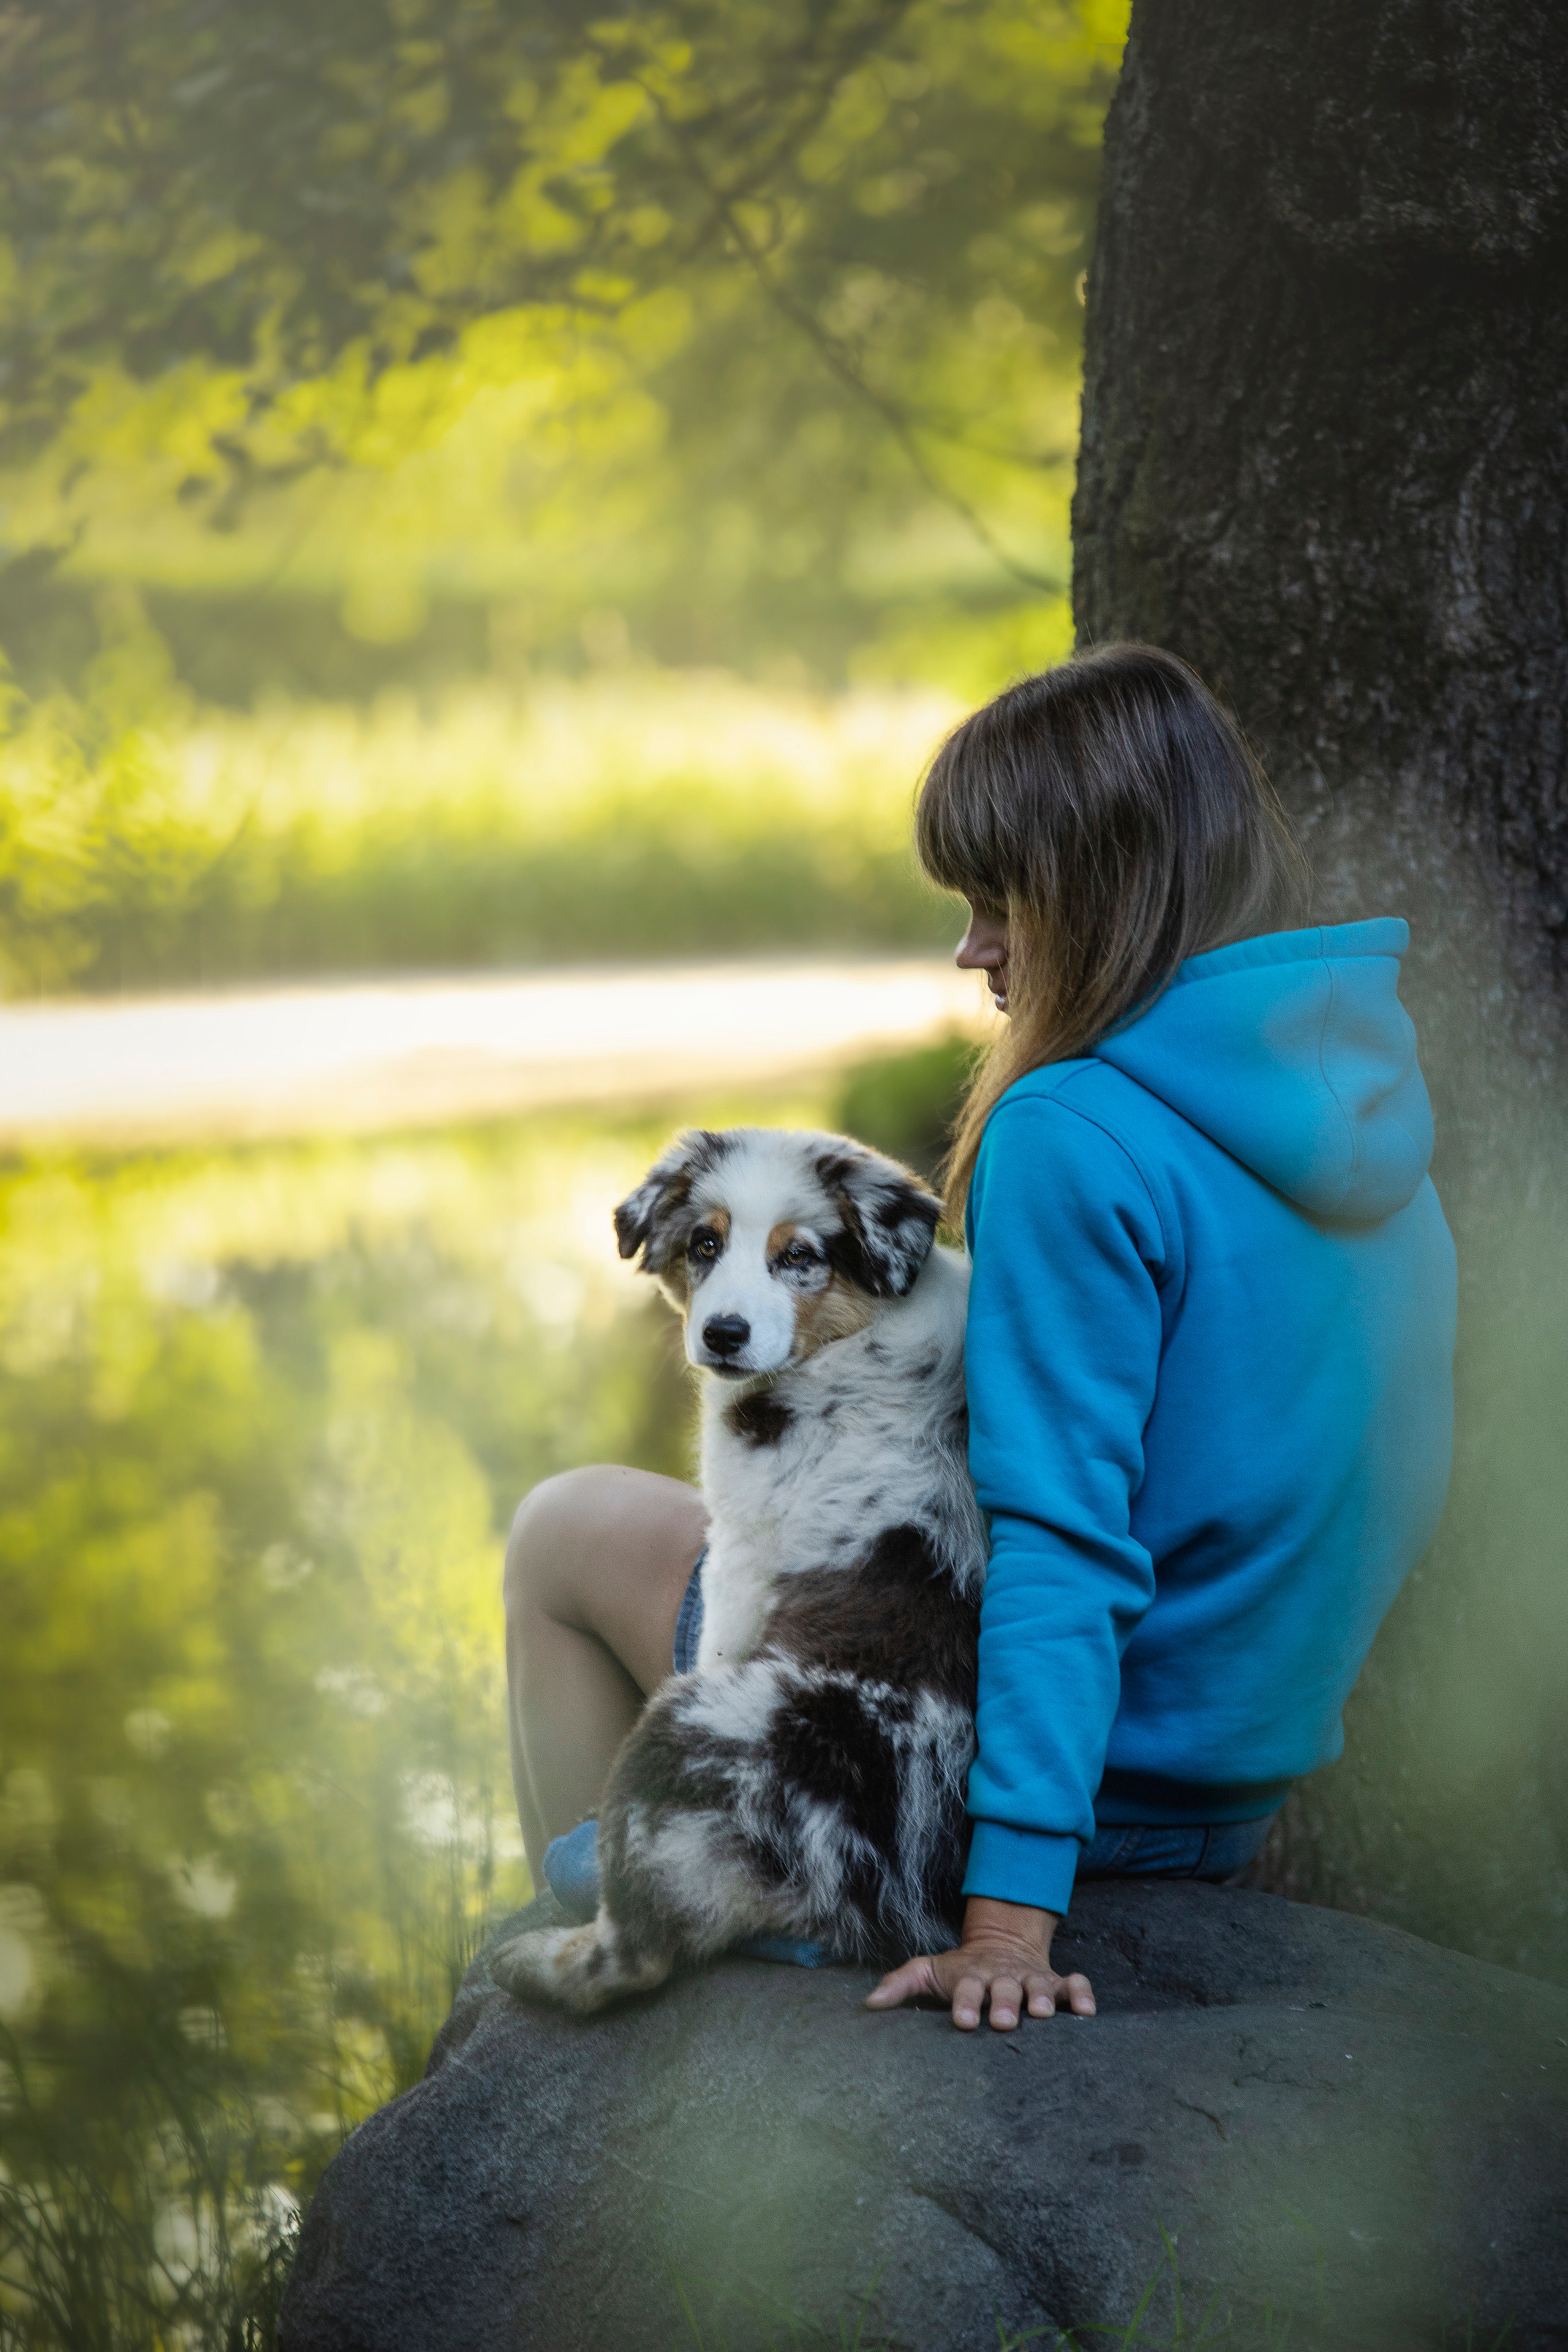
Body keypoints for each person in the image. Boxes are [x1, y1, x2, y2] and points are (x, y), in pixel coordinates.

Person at [505, 643, 1457, 2032]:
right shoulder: (1374, 1115)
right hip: (1230, 1790)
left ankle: (614, 1933)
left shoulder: (1072, 1132)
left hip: (1001, 1786)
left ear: (1098, 889)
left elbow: (1060, 1539)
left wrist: (1006, 1919)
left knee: (561, 1533)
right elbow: (1393, 1484)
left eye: (997, 904)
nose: (973, 950)